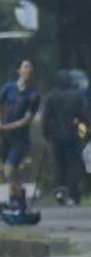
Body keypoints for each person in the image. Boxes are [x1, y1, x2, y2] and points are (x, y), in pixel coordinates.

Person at [0, 58, 41, 209]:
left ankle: (16, 194)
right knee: (11, 170)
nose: (28, 70)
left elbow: (27, 119)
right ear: (19, 70)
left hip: (20, 137)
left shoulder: (34, 94)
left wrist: (6, 127)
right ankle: (17, 197)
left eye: (31, 67)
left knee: (9, 170)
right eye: (25, 67)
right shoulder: (8, 88)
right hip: (6, 137)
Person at [42, 70, 89, 206]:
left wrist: (46, 134)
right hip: (73, 134)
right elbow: (84, 115)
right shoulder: (77, 96)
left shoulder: (51, 96)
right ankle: (73, 195)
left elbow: (46, 118)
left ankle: (59, 188)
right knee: (73, 165)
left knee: (60, 163)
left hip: (56, 135)